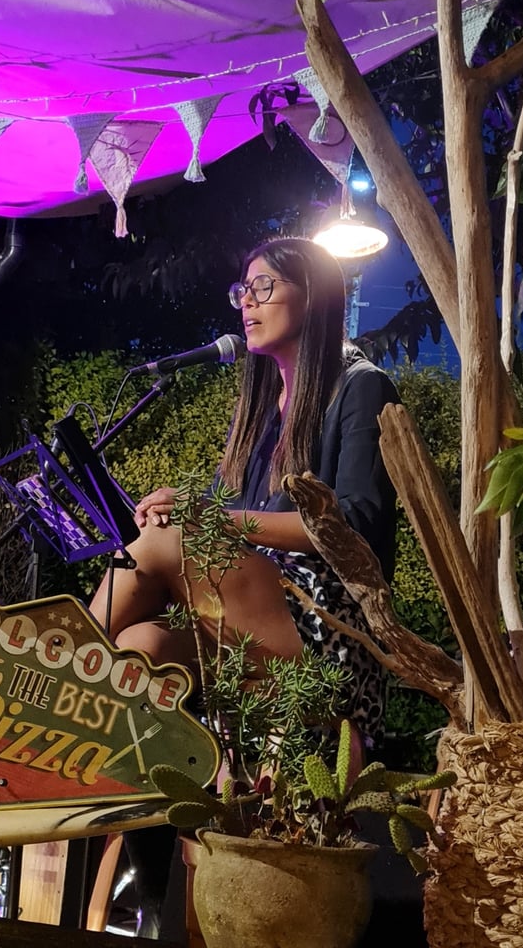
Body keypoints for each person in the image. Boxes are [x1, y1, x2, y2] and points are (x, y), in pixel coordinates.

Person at [90, 236, 398, 743]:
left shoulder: (362, 386)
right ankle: (118, 780)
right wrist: (181, 510)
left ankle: (53, 680)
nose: (247, 302)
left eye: (264, 286)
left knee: (166, 542)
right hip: (252, 604)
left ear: (313, 294)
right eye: (243, 290)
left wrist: (202, 521)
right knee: (142, 646)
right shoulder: (259, 406)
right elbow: (217, 515)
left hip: (327, 617)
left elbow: (356, 522)